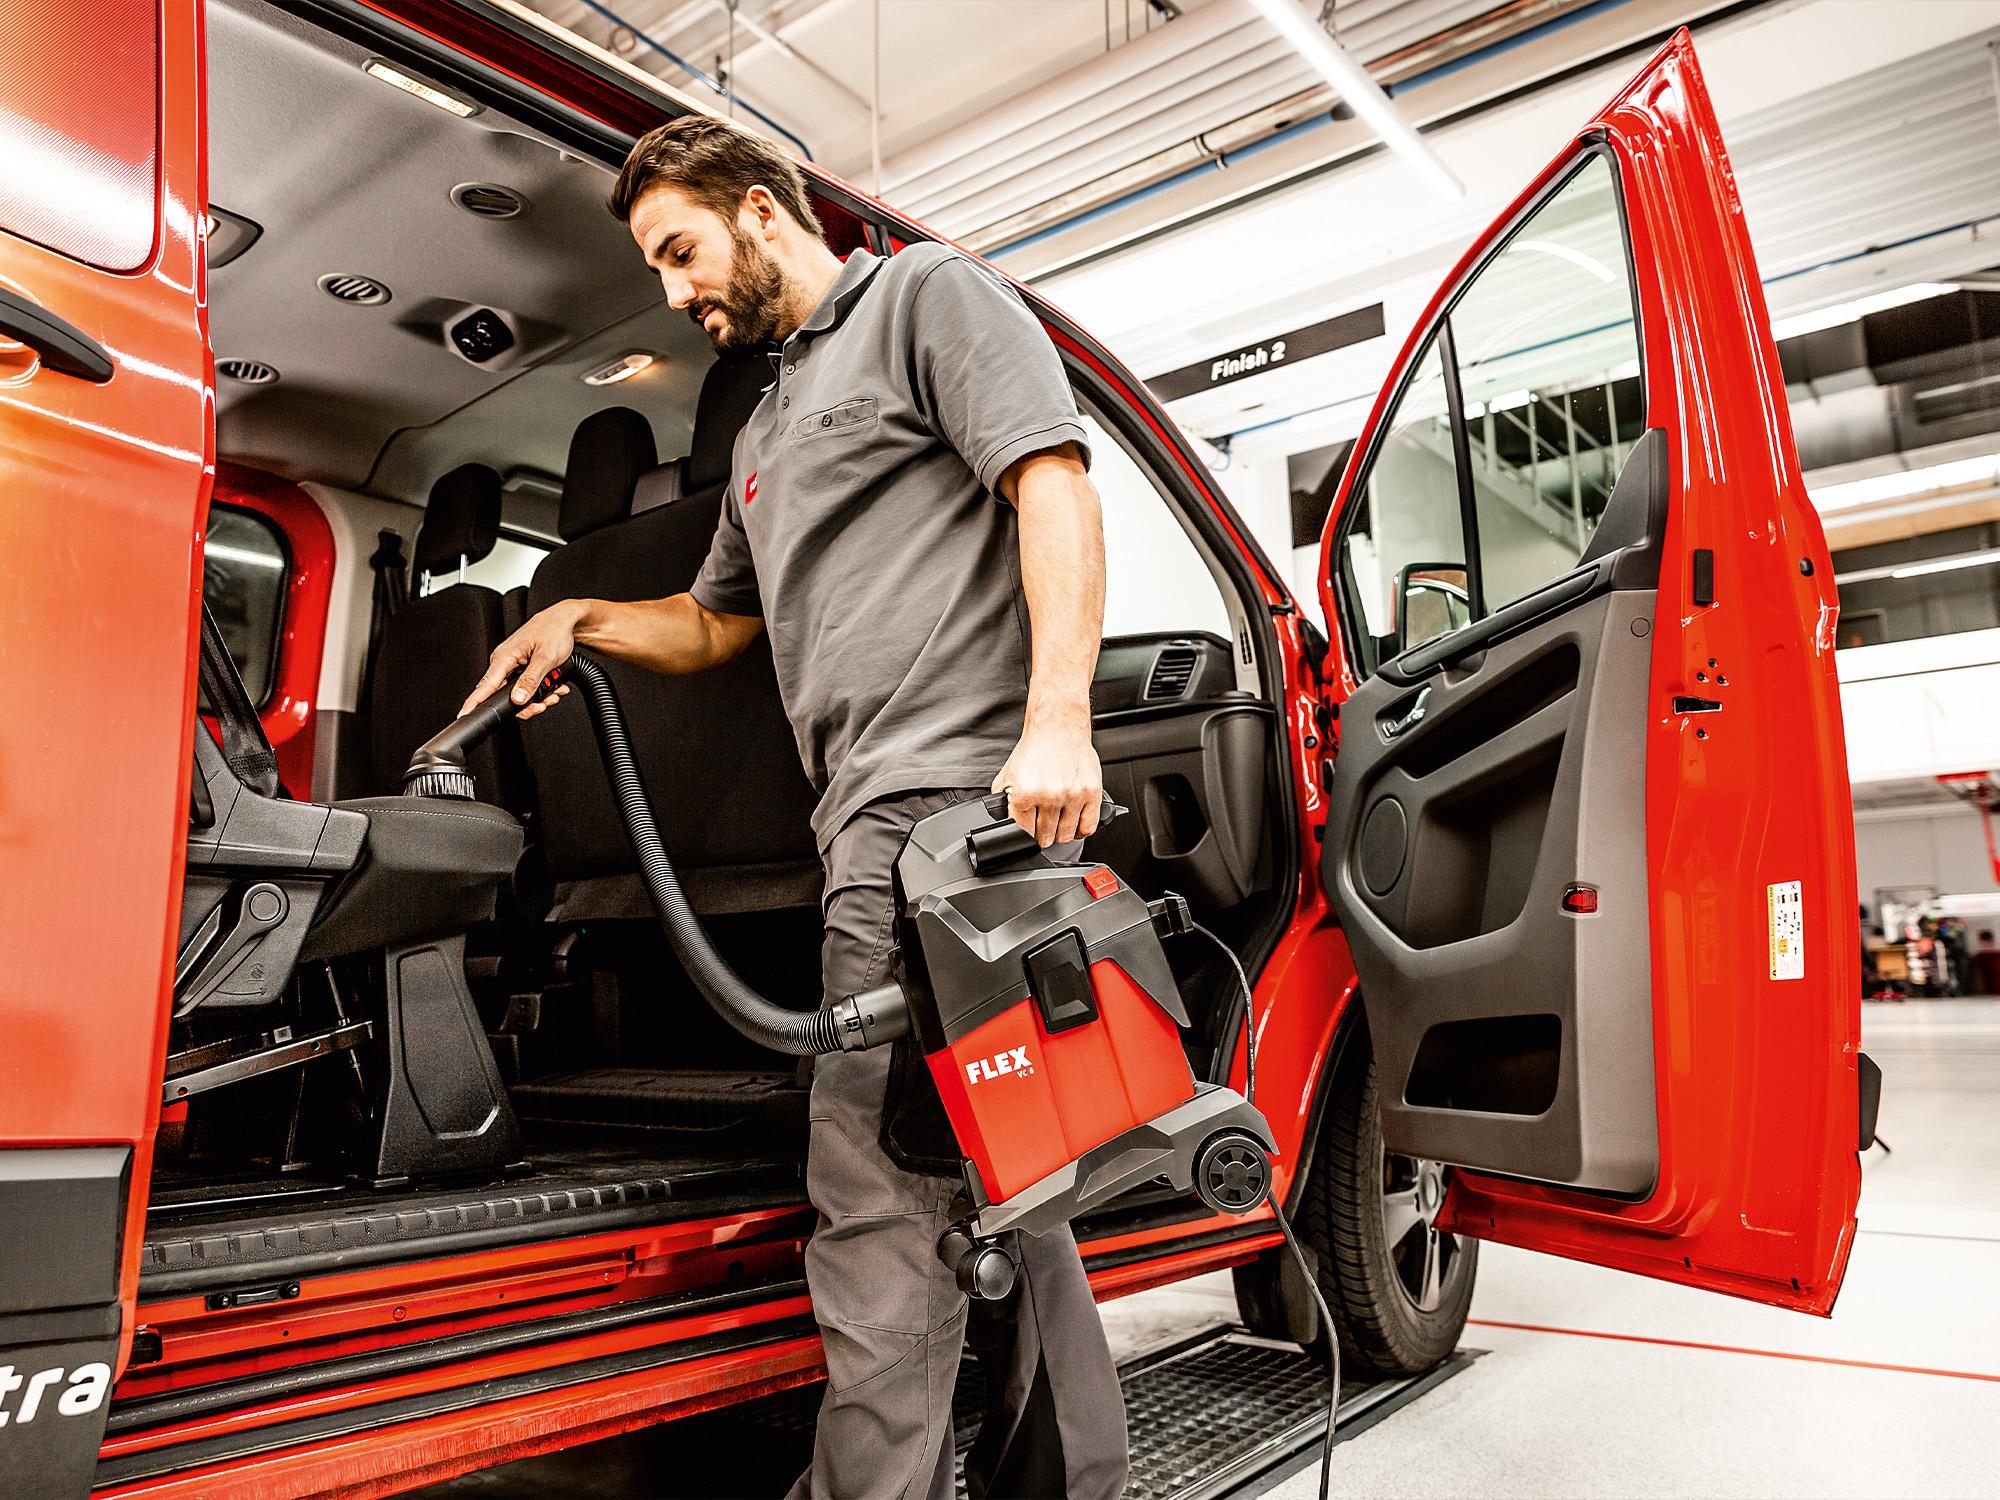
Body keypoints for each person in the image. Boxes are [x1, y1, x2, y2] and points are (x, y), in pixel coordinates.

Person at [460, 115, 1129, 1500]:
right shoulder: (762, 430)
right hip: (865, 833)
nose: (673, 289)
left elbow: (1047, 481)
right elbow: (712, 629)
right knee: (1006, 1181)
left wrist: (1060, 717)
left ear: (763, 212)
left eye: (682, 250)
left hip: (953, 814)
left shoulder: (928, 299)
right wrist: (580, 614)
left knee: (874, 1194)